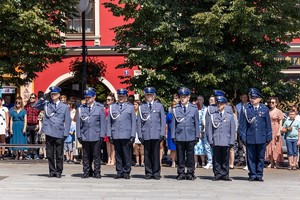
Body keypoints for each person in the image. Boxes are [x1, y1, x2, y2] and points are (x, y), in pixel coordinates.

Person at [34, 86, 71, 178]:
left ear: (59, 95)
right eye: (51, 94)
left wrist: (66, 133)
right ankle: (52, 171)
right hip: (49, 132)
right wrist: (43, 97)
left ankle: (59, 171)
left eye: (54, 94)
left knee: (59, 154)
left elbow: (68, 120)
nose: (52, 95)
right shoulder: (47, 104)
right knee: (50, 154)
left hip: (59, 132)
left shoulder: (64, 106)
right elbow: (35, 106)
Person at [239, 88, 272, 182]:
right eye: (251, 97)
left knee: (261, 157)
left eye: (254, 98)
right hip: (250, 136)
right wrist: (243, 136)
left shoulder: (265, 109)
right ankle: (252, 174)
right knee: (251, 157)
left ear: (259, 99)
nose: (252, 99)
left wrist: (269, 136)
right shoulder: (245, 108)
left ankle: (259, 174)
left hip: (261, 136)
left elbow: (268, 124)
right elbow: (242, 124)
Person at [76, 87, 106, 179]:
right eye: (86, 97)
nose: (87, 99)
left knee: (96, 155)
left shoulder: (100, 108)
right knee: (86, 155)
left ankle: (97, 172)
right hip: (85, 135)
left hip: (95, 134)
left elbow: (102, 123)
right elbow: (78, 123)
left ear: (94, 97)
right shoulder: (81, 109)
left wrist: (102, 135)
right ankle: (86, 171)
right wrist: (79, 135)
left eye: (89, 97)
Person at [137, 87, 166, 180]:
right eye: (147, 95)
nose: (149, 96)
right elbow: (139, 123)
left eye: (151, 95)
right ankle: (148, 173)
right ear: (145, 96)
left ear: (154, 95)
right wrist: (140, 135)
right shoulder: (141, 107)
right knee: (147, 154)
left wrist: (162, 133)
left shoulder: (159, 106)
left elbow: (162, 121)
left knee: (156, 154)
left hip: (156, 134)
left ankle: (156, 172)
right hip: (146, 134)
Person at [107, 88, 136, 179]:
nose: (121, 98)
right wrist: (109, 134)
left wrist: (133, 135)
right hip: (116, 133)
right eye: (119, 96)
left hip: (126, 134)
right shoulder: (112, 107)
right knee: (118, 154)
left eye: (122, 96)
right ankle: (119, 171)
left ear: (126, 97)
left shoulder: (130, 107)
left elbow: (133, 122)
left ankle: (127, 171)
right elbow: (109, 122)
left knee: (126, 154)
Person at [172, 87, 199, 180]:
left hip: (190, 135)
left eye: (185, 97)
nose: (183, 98)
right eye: (181, 97)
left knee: (190, 156)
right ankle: (181, 172)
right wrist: (173, 136)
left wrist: (197, 136)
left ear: (189, 97)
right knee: (180, 156)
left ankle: (191, 173)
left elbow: (196, 123)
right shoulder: (175, 109)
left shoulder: (194, 109)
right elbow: (173, 124)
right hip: (179, 136)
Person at [207, 96, 236, 181]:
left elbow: (232, 129)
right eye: (218, 104)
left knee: (225, 158)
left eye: (221, 104)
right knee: (216, 159)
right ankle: (217, 174)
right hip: (216, 140)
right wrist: (210, 140)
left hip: (226, 140)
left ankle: (225, 174)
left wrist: (232, 141)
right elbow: (209, 129)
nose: (219, 105)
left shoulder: (230, 116)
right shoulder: (213, 115)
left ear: (225, 105)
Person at [265, 97, 284, 168]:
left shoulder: (279, 111)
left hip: (276, 128)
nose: (271, 104)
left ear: (276, 103)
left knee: (276, 145)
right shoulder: (268, 111)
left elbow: (281, 121)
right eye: (270, 102)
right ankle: (271, 162)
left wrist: (279, 131)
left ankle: (277, 162)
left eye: (273, 102)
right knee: (269, 145)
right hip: (269, 129)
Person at [24, 93, 40, 160]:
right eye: (31, 97)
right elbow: (25, 117)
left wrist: (38, 125)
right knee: (29, 141)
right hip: (28, 125)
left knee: (35, 141)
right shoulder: (26, 107)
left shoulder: (38, 107)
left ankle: (35, 154)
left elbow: (39, 117)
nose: (31, 99)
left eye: (33, 97)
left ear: (35, 98)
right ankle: (29, 154)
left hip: (35, 125)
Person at [235, 93, 248, 167]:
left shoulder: (250, 105)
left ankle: (247, 160)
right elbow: (236, 116)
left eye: (246, 97)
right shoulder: (238, 106)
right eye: (243, 97)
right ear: (240, 98)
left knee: (246, 145)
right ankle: (241, 159)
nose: (244, 99)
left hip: (247, 127)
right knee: (240, 145)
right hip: (240, 127)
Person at [194, 95, 207, 168]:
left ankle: (203, 161)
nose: (199, 101)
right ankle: (195, 162)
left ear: (203, 100)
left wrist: (201, 132)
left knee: (202, 146)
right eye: (198, 99)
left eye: (200, 99)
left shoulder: (205, 109)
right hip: (195, 129)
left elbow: (204, 122)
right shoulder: (195, 109)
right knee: (195, 146)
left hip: (203, 129)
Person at [104, 93, 116, 166]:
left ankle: (113, 159)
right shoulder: (105, 108)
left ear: (112, 100)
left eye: (109, 100)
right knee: (107, 144)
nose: (107, 101)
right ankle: (109, 158)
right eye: (107, 99)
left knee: (113, 145)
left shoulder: (114, 108)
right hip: (106, 127)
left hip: (113, 127)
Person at [133, 100, 144, 167]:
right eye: (134, 104)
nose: (134, 106)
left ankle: (142, 162)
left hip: (141, 131)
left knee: (142, 148)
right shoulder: (133, 112)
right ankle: (137, 162)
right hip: (135, 131)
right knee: (136, 148)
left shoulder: (141, 112)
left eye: (136, 104)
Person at [166, 100, 177, 168]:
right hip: (170, 133)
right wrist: (166, 133)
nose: (174, 107)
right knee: (173, 149)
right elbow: (166, 124)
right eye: (173, 106)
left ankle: (179, 161)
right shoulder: (169, 114)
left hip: (178, 133)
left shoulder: (179, 113)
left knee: (179, 148)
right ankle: (173, 161)